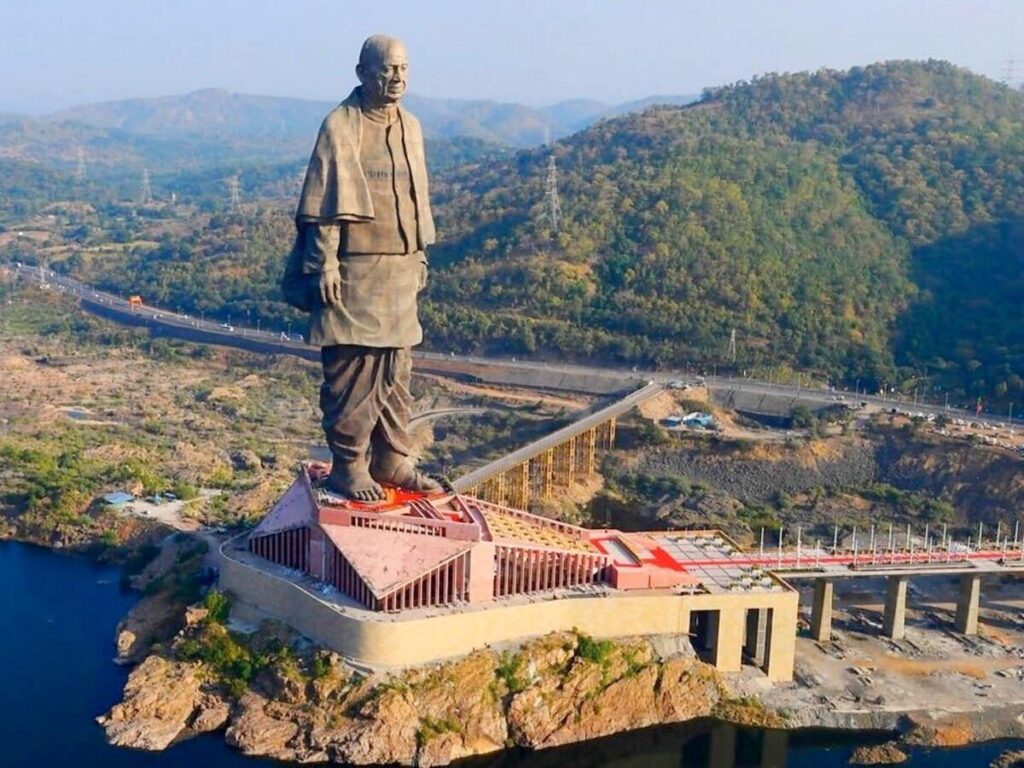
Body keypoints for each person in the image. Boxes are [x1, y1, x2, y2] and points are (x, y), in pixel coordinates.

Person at [282, 34, 441, 502]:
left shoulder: (411, 126)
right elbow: (325, 205)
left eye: (404, 69)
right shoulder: (341, 125)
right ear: (362, 73)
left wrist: (420, 254)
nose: (397, 78)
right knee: (354, 369)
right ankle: (349, 466)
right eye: (388, 69)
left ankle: (392, 457)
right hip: (353, 269)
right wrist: (325, 262)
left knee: (396, 369)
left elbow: (414, 199)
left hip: (400, 267)